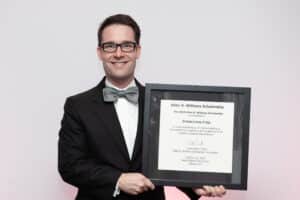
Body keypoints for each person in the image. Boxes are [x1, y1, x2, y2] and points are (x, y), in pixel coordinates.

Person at [58, 14, 226, 200]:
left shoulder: (161, 103)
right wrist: (118, 180)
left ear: (138, 51)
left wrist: (195, 186)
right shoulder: (78, 106)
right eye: (110, 46)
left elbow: (170, 158)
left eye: (127, 45)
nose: (119, 53)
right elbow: (70, 165)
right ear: (100, 52)